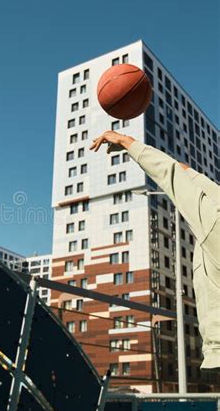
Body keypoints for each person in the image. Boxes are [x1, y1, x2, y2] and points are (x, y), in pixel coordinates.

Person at [90, 131, 220, 369]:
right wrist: (134, 148)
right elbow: (190, 177)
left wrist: (127, 142)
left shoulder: (216, 225)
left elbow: (172, 177)